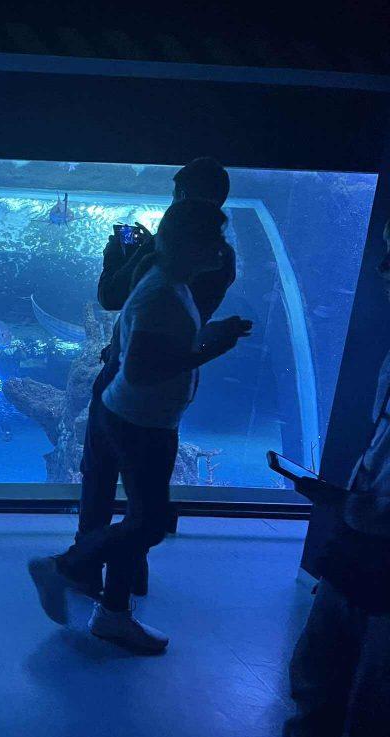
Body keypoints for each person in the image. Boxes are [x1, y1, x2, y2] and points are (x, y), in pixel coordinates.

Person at [29, 199, 252, 653]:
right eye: (213, 239)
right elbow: (142, 370)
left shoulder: (170, 284)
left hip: (137, 417)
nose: (221, 249)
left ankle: (113, 614)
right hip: (140, 422)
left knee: (138, 520)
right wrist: (213, 346)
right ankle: (63, 568)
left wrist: (205, 337)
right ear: (189, 244)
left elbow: (156, 351)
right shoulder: (161, 295)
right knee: (148, 524)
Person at [218, 221, 390, 737]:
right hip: (356, 549)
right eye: (386, 250)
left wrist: (350, 507)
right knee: (316, 675)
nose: (382, 268)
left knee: (375, 713)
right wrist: (345, 505)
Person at [79, 157, 235, 598]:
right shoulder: (219, 260)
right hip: (165, 393)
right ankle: (127, 575)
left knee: (101, 473)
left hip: (126, 381)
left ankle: (83, 565)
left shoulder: (165, 266)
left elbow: (111, 297)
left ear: (181, 195)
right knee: (143, 489)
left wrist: (119, 257)